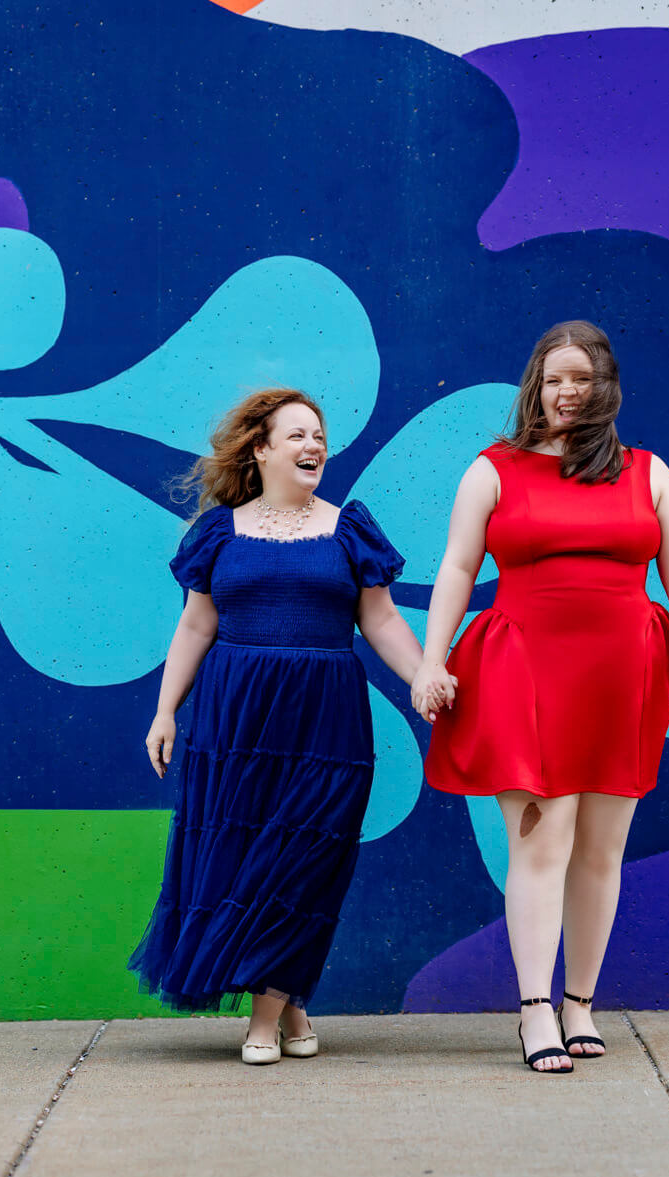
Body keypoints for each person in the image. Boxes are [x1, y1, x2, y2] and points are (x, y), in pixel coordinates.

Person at [413, 321, 669, 1074]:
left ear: (605, 387)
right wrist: (431, 661)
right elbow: (457, 567)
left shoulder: (649, 472)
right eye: (554, 378)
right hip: (523, 672)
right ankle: (534, 1010)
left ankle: (579, 1002)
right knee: (542, 842)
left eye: (581, 379)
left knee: (601, 849)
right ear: (536, 385)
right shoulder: (492, 469)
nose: (566, 392)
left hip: (624, 677)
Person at [131, 387, 431, 1065]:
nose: (312, 445)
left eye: (318, 435)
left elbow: (380, 618)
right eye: (296, 435)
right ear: (261, 450)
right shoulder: (220, 532)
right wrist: (165, 709)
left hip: (327, 722)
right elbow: (196, 624)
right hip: (234, 722)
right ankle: (288, 1005)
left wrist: (421, 676)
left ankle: (262, 1020)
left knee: (301, 859)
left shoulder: (349, 529)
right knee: (243, 858)